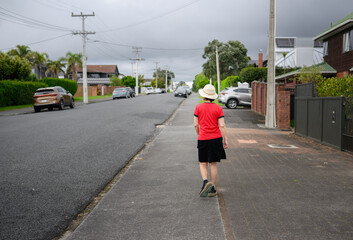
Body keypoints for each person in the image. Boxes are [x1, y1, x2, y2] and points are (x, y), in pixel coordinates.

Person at [194, 84, 228, 197]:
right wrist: (225, 139)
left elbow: (195, 125)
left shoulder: (198, 108)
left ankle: (205, 182)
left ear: (203, 96)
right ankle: (212, 187)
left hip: (203, 138)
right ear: (213, 97)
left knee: (203, 163)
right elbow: (222, 125)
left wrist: (200, 134)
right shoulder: (218, 108)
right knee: (213, 163)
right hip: (216, 139)